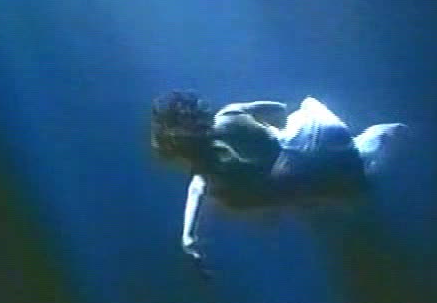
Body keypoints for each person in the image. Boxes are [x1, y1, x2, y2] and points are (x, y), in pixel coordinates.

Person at [150, 90, 408, 266]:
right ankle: (397, 134)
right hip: (314, 134)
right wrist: (272, 133)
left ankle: (393, 139)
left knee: (358, 177)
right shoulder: (230, 115)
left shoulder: (206, 169)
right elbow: (279, 109)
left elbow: (196, 192)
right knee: (363, 157)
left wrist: (188, 238)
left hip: (300, 170)